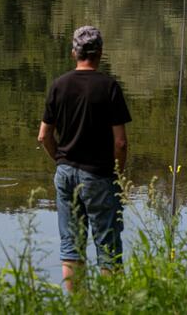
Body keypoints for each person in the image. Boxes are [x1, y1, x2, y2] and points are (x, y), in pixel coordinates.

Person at [38, 26, 131, 292]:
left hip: (65, 175)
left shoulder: (59, 85)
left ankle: (78, 307)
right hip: (100, 176)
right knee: (108, 246)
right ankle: (110, 307)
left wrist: (61, 159)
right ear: (100, 53)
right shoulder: (109, 87)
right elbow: (121, 142)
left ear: (74, 53)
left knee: (71, 247)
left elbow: (44, 136)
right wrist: (118, 174)